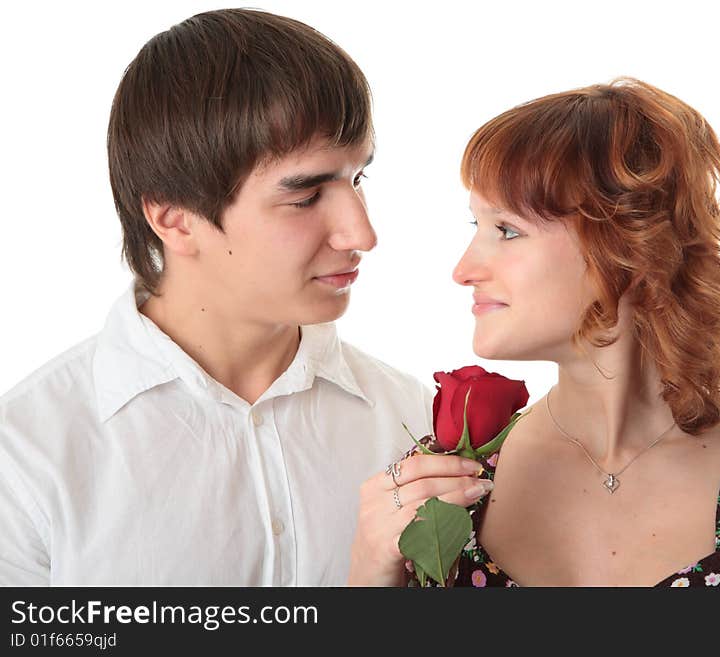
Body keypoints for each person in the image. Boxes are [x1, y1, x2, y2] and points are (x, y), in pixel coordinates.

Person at [0, 8, 482, 586]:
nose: (362, 234)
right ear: (175, 219)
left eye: (358, 180)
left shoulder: (415, 424)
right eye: (304, 197)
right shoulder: (26, 456)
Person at [350, 78, 720, 587]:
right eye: (477, 227)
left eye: (507, 230)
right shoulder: (447, 484)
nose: (463, 269)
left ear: (628, 245)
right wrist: (370, 577)